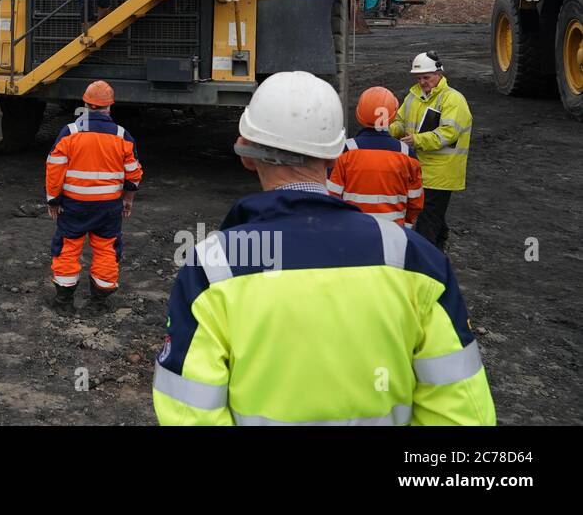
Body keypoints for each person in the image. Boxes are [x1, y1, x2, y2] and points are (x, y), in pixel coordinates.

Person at [153, 71, 495, 426]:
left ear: (246, 153)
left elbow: (189, 412)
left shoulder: (213, 267)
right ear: (335, 157)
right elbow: (462, 412)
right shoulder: (416, 261)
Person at [44, 80, 143, 314]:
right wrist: (128, 200)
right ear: (110, 106)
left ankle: (64, 303)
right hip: (108, 207)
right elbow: (134, 174)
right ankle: (99, 303)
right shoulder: (122, 136)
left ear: (86, 104)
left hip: (74, 206)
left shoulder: (70, 132)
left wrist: (53, 200)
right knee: (106, 249)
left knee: (67, 248)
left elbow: (54, 168)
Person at [390, 51, 472, 251]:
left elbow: (448, 133)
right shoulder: (413, 97)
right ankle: (440, 241)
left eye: (426, 77)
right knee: (432, 213)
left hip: (442, 173)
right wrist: (388, 130)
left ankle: (425, 258)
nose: (422, 82)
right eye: (419, 78)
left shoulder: (453, 100)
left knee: (427, 218)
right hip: (420, 169)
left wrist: (417, 140)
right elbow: (400, 121)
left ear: (439, 74)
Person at [328, 86, 424, 228]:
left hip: (352, 231)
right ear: (393, 114)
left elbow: (331, 196)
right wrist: (407, 226)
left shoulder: (345, 151)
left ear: (358, 113)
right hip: (393, 233)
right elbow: (415, 202)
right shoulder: (407, 154)